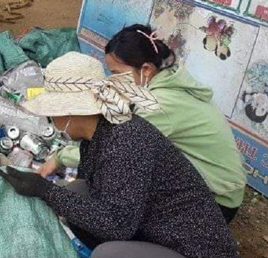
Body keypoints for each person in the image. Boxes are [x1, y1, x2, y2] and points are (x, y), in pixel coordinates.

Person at [0, 52, 239, 258]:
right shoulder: (101, 134)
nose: (50, 119)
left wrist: (44, 189)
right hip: (166, 242)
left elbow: (116, 225)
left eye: (52, 110)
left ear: (71, 111)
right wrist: (52, 192)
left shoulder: (125, 144)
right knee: (78, 193)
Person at [39, 24, 246, 222]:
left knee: (116, 195)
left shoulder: (157, 106)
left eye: (118, 74)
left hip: (218, 202)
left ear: (146, 69)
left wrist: (60, 158)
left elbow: (115, 150)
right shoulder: (164, 81)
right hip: (218, 185)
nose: (114, 82)